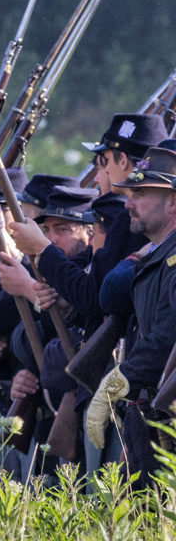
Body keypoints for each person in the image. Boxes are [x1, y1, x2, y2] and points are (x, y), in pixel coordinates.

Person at [86, 146, 176, 485]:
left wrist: (116, 381)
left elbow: (169, 334)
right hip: (151, 417)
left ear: (172, 201)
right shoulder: (160, 257)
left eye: (139, 193)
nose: (128, 203)